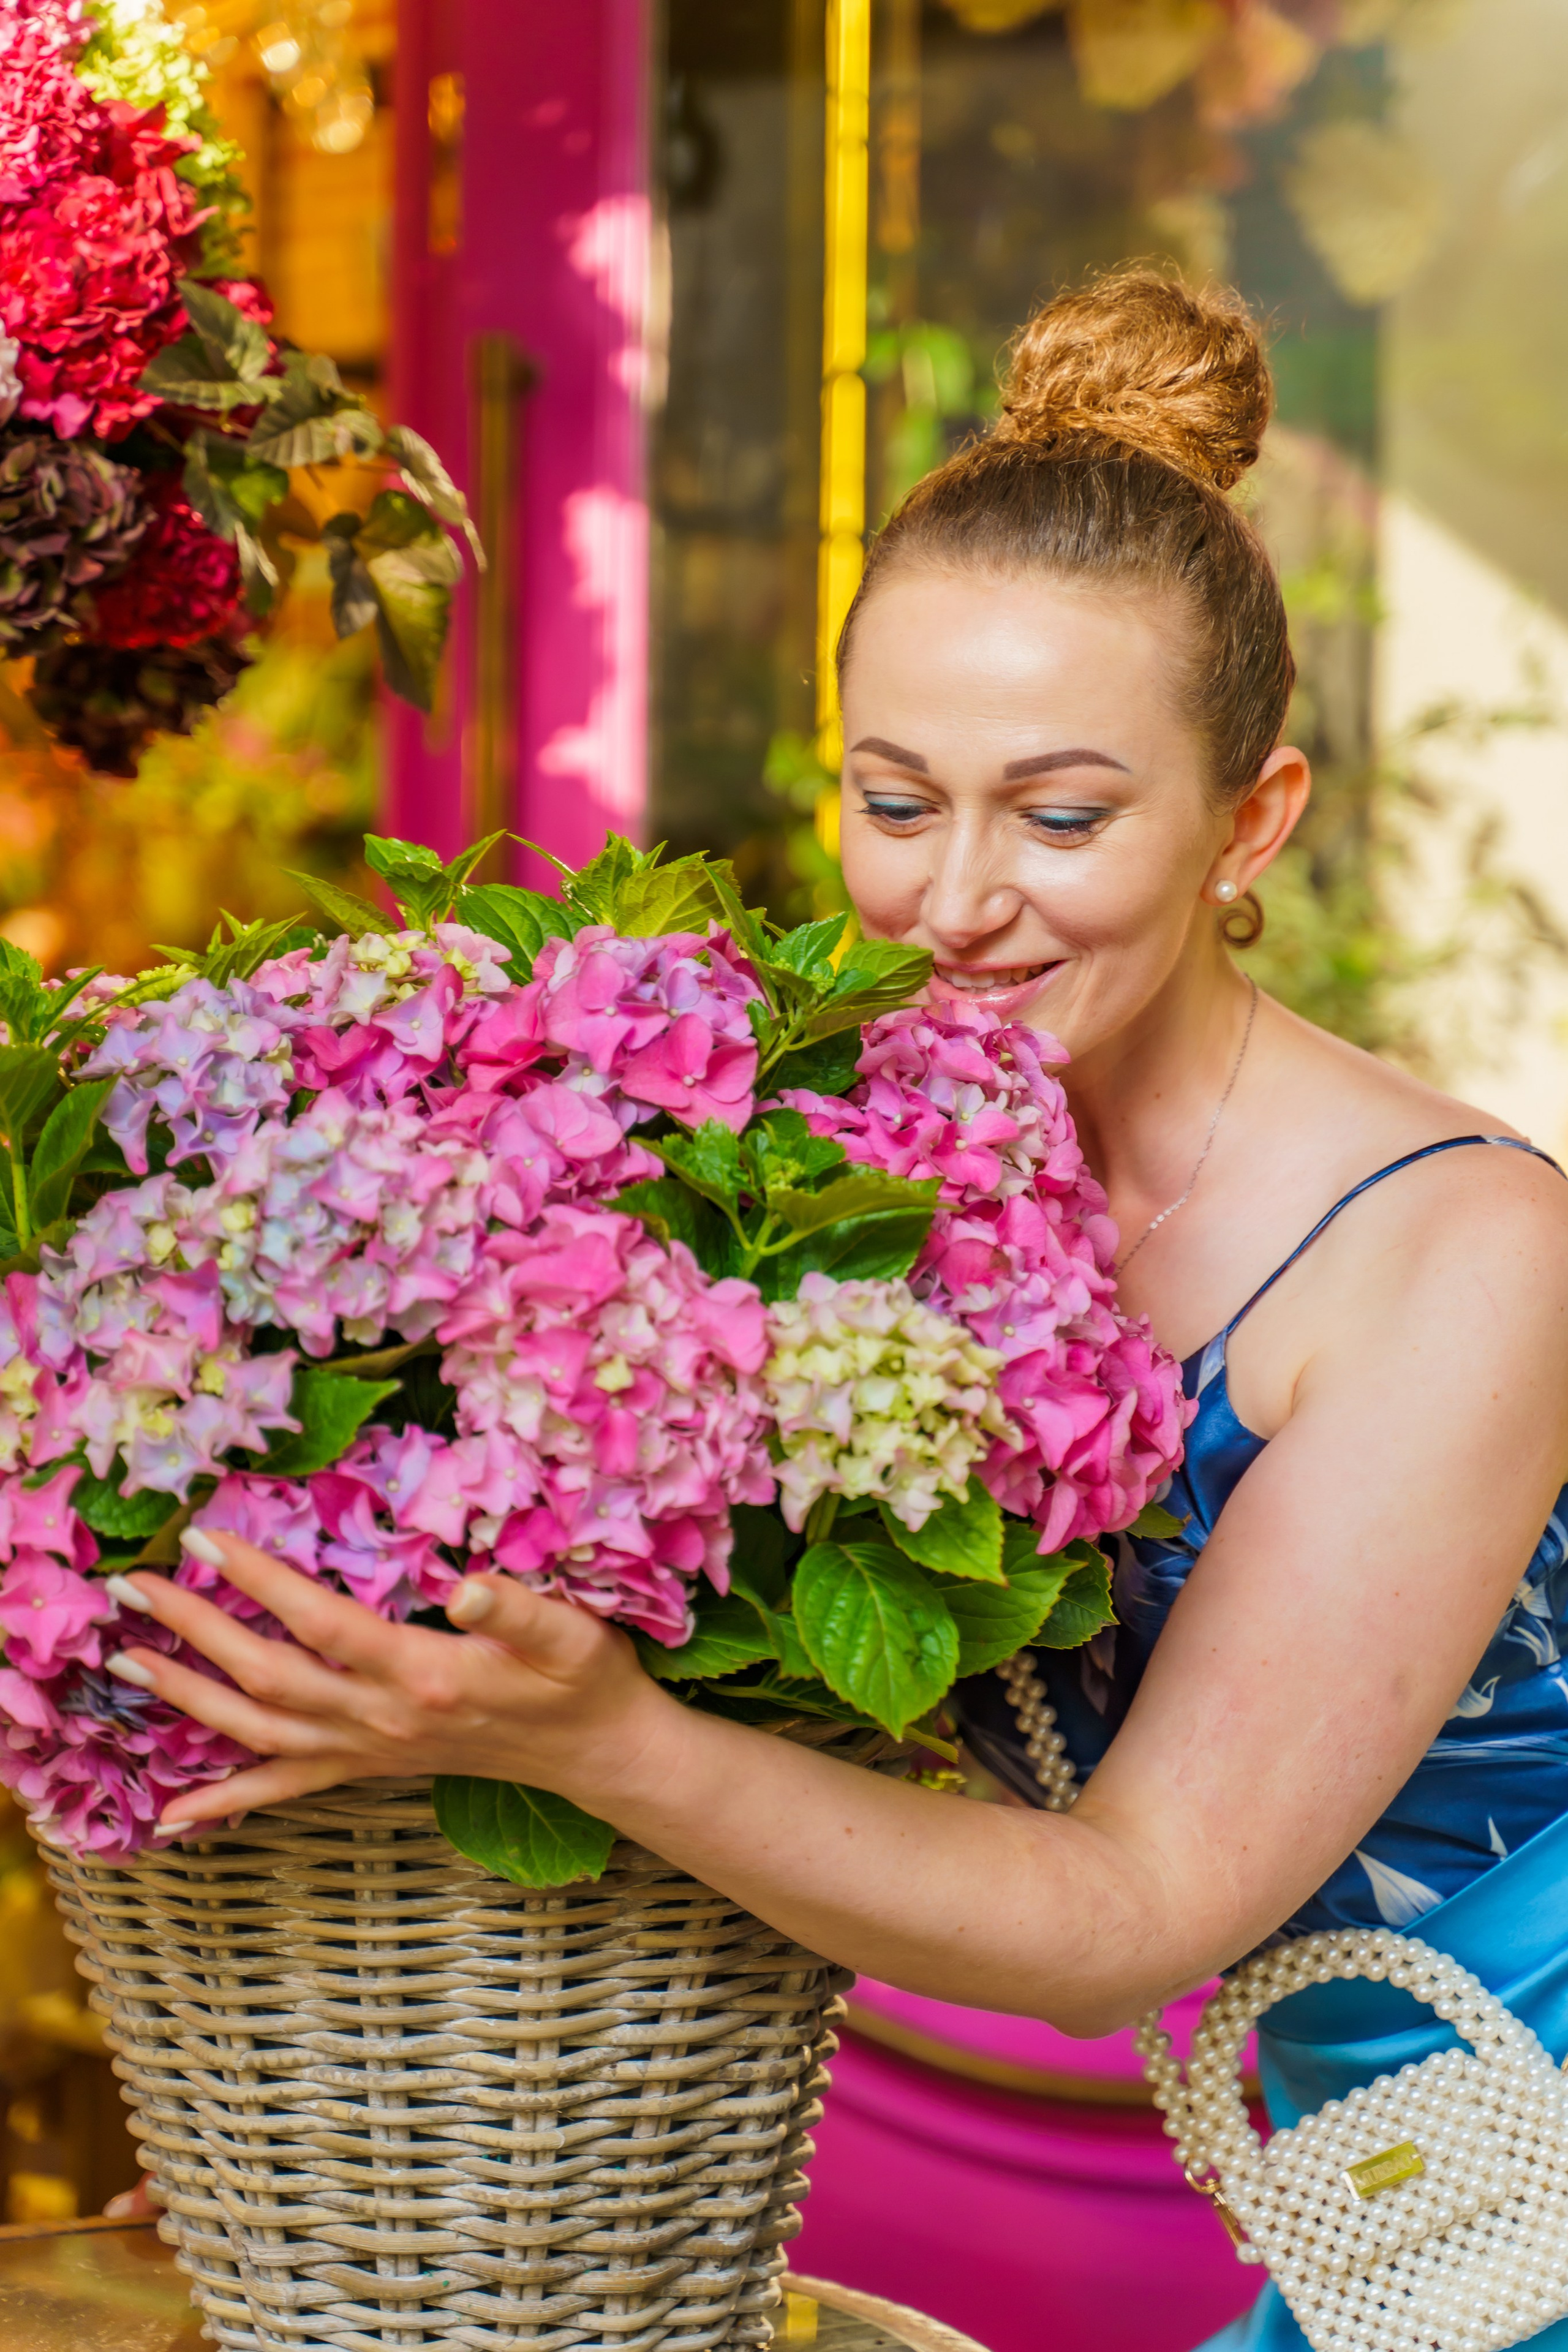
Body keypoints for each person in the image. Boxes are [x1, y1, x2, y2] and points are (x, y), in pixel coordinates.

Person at [100, 274, 1568, 2351]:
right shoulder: (816, 1175)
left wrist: (604, 1740)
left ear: (1254, 823)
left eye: (1061, 817)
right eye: (895, 802)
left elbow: (1134, 1915)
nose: (956, 903)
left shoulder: (1461, 1252)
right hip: (1390, 2206)